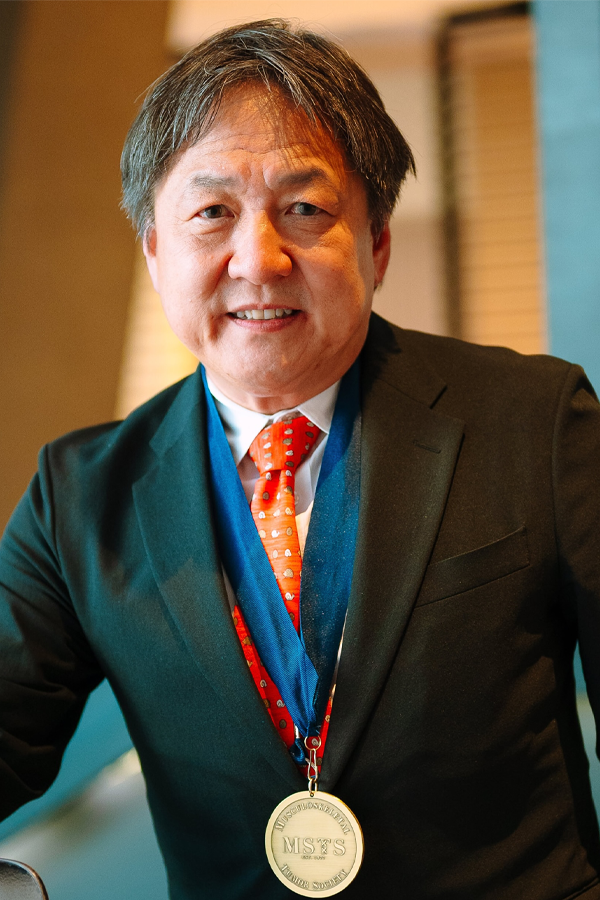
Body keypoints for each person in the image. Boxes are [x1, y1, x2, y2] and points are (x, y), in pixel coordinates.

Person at [1, 18, 599, 900]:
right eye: (212, 214)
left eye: (305, 210)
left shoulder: (535, 422)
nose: (259, 259)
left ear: (377, 242)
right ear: (155, 251)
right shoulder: (79, 496)